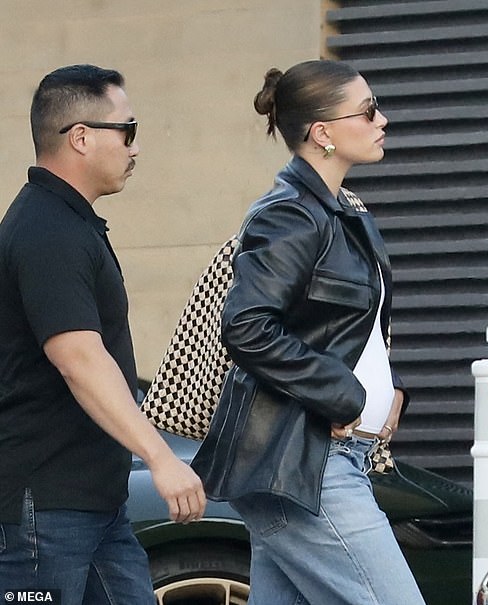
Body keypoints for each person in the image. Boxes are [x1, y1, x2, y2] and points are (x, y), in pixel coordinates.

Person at [191, 59, 427, 605]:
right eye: (368, 111)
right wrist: (342, 395)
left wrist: (385, 394)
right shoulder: (290, 216)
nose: (382, 120)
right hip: (302, 464)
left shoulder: (342, 213)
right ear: (322, 133)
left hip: (324, 460)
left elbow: (343, 331)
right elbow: (247, 326)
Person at [0, 64, 206, 604]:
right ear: (82, 137)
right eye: (128, 130)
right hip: (45, 509)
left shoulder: (70, 223)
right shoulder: (47, 229)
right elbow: (79, 359)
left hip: (94, 505)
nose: (135, 148)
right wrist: (161, 457)